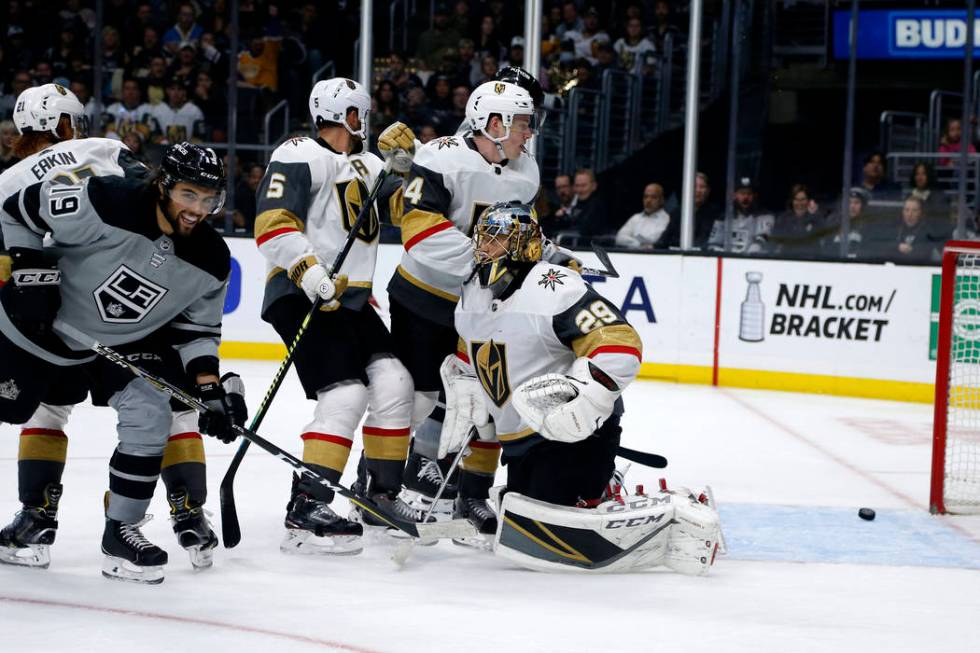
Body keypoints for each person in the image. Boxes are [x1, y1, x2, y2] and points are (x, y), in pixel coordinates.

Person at [0, 136, 246, 584]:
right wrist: (27, 267)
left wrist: (209, 389)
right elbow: (17, 209)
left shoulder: (212, 259)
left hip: (113, 347)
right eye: (188, 194)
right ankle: (32, 522)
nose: (198, 208)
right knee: (20, 408)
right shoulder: (104, 199)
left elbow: (198, 332)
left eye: (209, 199)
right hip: (34, 329)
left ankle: (121, 532)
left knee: (152, 410)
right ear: (163, 185)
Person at [442, 201, 721, 572]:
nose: (485, 248)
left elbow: (620, 343)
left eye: (498, 239)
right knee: (521, 513)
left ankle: (612, 491)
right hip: (522, 439)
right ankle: (591, 487)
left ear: (524, 244)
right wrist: (466, 381)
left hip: (573, 433)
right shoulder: (472, 292)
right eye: (484, 238)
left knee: (540, 522)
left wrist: (585, 400)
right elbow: (469, 344)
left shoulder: (554, 287)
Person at [254, 78, 416, 554]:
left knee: (394, 382)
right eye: (359, 114)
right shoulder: (299, 152)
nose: (363, 123)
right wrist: (307, 269)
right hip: (300, 293)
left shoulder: (368, 164)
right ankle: (307, 504)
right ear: (347, 114)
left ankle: (378, 495)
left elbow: (406, 212)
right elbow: (272, 222)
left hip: (351, 300)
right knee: (346, 394)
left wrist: (405, 167)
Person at [387, 78, 541, 536]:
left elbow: (521, 234)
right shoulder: (439, 158)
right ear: (493, 124)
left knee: (489, 401)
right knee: (417, 400)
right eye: (521, 124)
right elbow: (419, 233)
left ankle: (471, 494)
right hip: (423, 298)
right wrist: (487, 257)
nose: (528, 133)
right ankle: (383, 483)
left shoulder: (526, 171)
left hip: (479, 307)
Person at [707, 177, 775, 253]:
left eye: (749, 194)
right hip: (727, 260)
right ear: (734, 195)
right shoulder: (723, 217)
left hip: (752, 261)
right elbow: (713, 245)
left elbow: (761, 240)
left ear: (755, 196)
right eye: (742, 193)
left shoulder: (765, 215)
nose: (746, 197)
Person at [768, 184, 825, 257]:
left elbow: (825, 235)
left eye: (803, 199)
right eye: (796, 199)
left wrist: (815, 215)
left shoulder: (816, 217)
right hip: (788, 261)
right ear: (792, 201)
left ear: (809, 200)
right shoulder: (783, 219)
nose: (799, 203)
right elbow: (773, 243)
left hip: (811, 262)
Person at [615, 183, 671, 250]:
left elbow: (654, 240)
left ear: (661, 200)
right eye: (645, 196)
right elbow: (619, 238)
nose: (648, 200)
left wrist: (633, 237)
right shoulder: (636, 218)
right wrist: (638, 244)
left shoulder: (666, 219)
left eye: (653, 197)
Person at [151, 78, 205, 144]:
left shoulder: (194, 110)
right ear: (167, 91)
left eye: (179, 89)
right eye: (172, 89)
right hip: (164, 149)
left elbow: (200, 136)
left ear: (184, 92)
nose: (176, 93)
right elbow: (154, 136)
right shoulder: (158, 110)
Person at [104, 78, 156, 143]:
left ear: (139, 92)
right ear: (122, 92)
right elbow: (108, 132)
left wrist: (132, 142)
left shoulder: (147, 109)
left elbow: (147, 133)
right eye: (127, 88)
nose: (130, 92)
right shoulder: (112, 109)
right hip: (117, 147)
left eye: (134, 89)